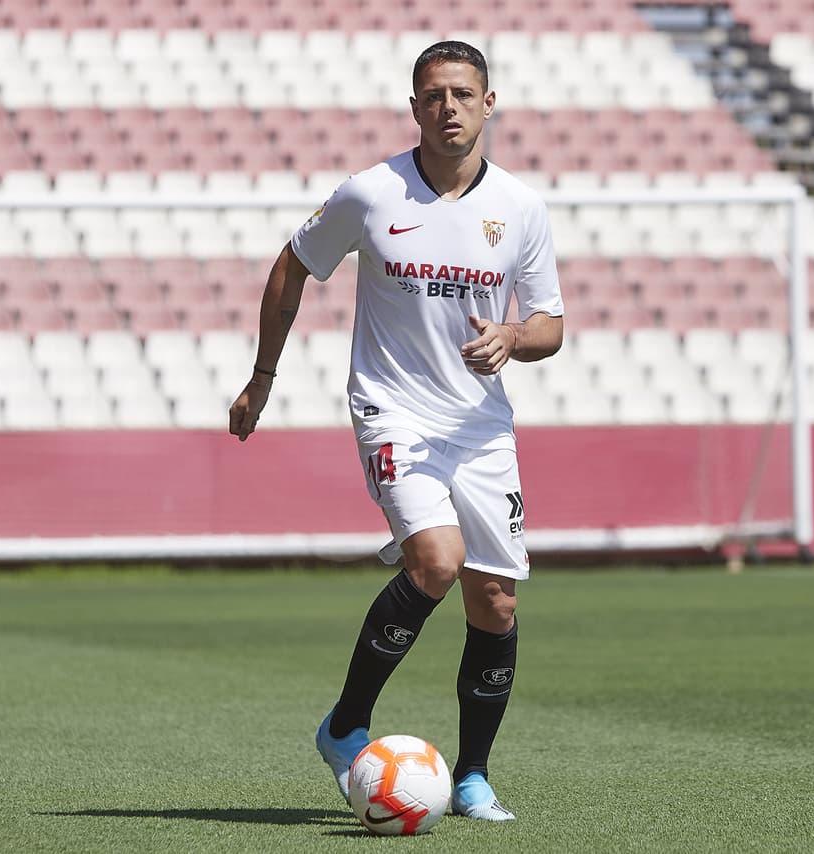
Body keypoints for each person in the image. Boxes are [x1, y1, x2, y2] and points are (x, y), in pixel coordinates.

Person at [229, 40, 564, 822]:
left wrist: (513, 338)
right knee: (437, 561)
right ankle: (346, 727)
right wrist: (262, 378)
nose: (448, 107)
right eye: (433, 94)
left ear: (489, 105)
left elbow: (551, 323)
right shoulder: (372, 193)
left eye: (462, 94)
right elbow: (292, 265)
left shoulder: (520, 208)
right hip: (393, 409)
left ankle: (474, 775)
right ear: (414, 107)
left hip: (481, 427)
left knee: (496, 603)